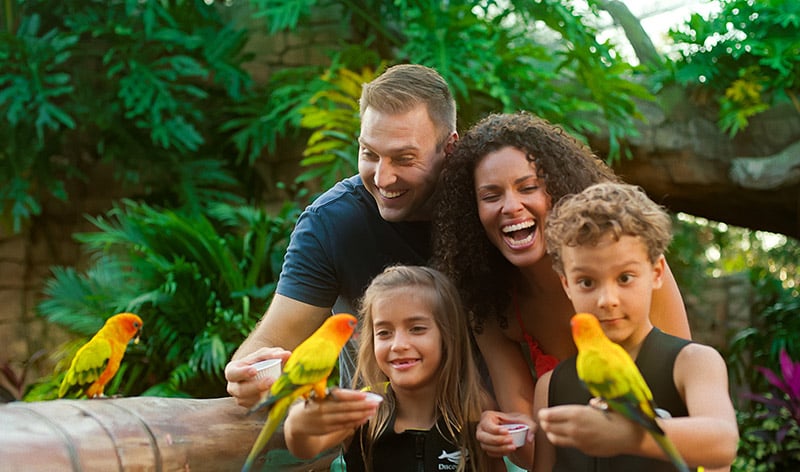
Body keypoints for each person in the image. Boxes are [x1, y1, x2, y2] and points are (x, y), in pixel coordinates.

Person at [431, 112, 692, 464]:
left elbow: (689, 412)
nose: (511, 207)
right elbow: (533, 449)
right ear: (472, 211)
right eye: (491, 195)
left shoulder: (632, 272)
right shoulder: (490, 303)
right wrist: (500, 432)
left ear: (560, 190)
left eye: (528, 188)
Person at [224, 64, 458, 409]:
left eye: (404, 158)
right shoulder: (331, 223)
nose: (383, 177)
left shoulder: (489, 204)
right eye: (370, 154)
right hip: (378, 442)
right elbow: (272, 340)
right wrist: (248, 375)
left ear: (449, 149)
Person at [529, 182, 738, 470]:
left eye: (625, 277)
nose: (607, 300)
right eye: (587, 282)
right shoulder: (551, 386)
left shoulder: (693, 363)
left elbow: (723, 444)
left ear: (656, 273)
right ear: (567, 285)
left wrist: (630, 436)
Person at [282, 265, 506, 472]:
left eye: (417, 329)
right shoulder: (361, 411)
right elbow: (305, 447)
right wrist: (298, 423)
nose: (398, 345)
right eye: (384, 333)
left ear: (448, 336)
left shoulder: (475, 407)